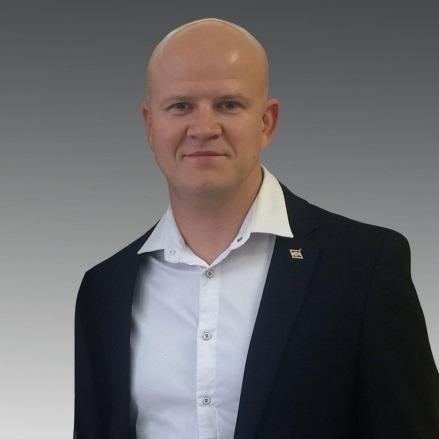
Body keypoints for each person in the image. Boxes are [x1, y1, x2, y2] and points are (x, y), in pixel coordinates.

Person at [74, 18, 439, 439]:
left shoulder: (363, 268)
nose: (204, 128)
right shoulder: (105, 290)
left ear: (267, 122)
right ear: (150, 124)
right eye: (181, 106)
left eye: (228, 104)